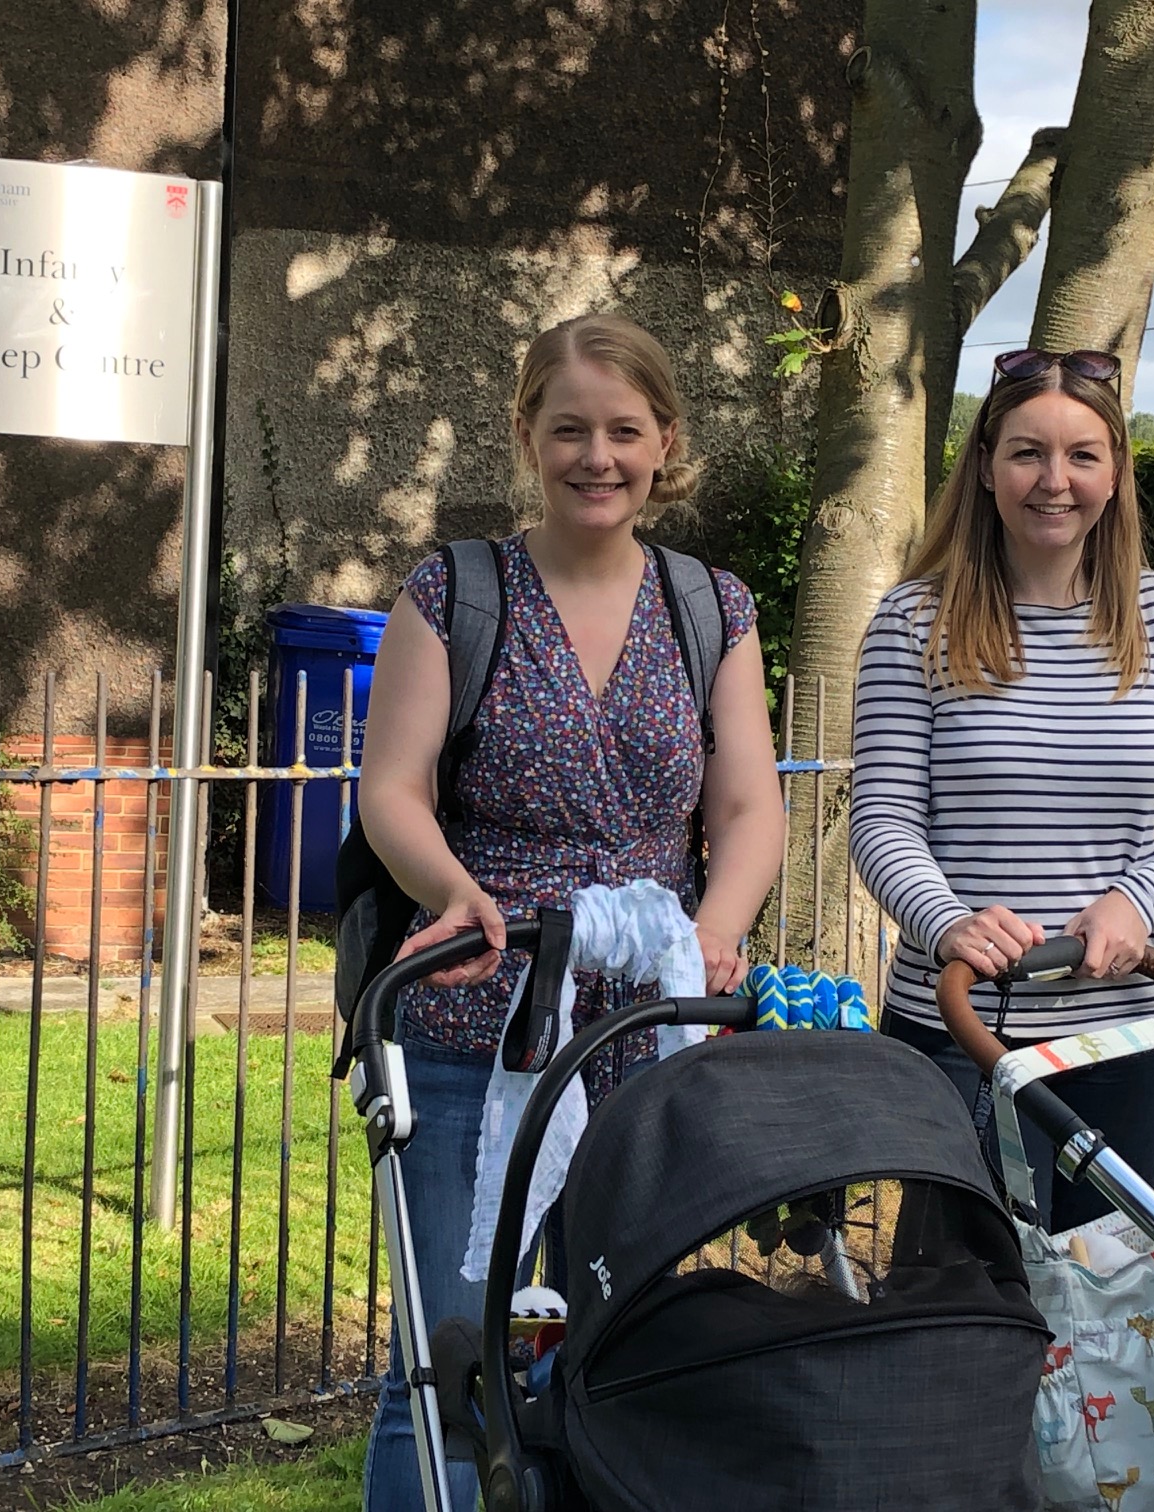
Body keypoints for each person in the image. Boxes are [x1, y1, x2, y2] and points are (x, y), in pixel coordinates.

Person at [356, 312, 785, 1509]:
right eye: (569, 430)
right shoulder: (454, 592)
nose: (597, 457)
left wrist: (720, 926)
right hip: (474, 1011)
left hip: (644, 1031)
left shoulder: (714, 610)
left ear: (665, 444)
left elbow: (750, 807)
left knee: (617, 1355)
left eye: (624, 431)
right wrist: (452, 892)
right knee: (448, 1362)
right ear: (528, 439)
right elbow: (391, 788)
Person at [849, 347, 1154, 1233]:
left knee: (1106, 1300)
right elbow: (881, 816)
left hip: (1133, 1030)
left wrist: (1136, 899)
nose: (1055, 480)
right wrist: (948, 919)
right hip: (964, 1027)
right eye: (1028, 452)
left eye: (1082, 455)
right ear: (987, 467)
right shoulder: (914, 620)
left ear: (1114, 474)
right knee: (980, 1288)